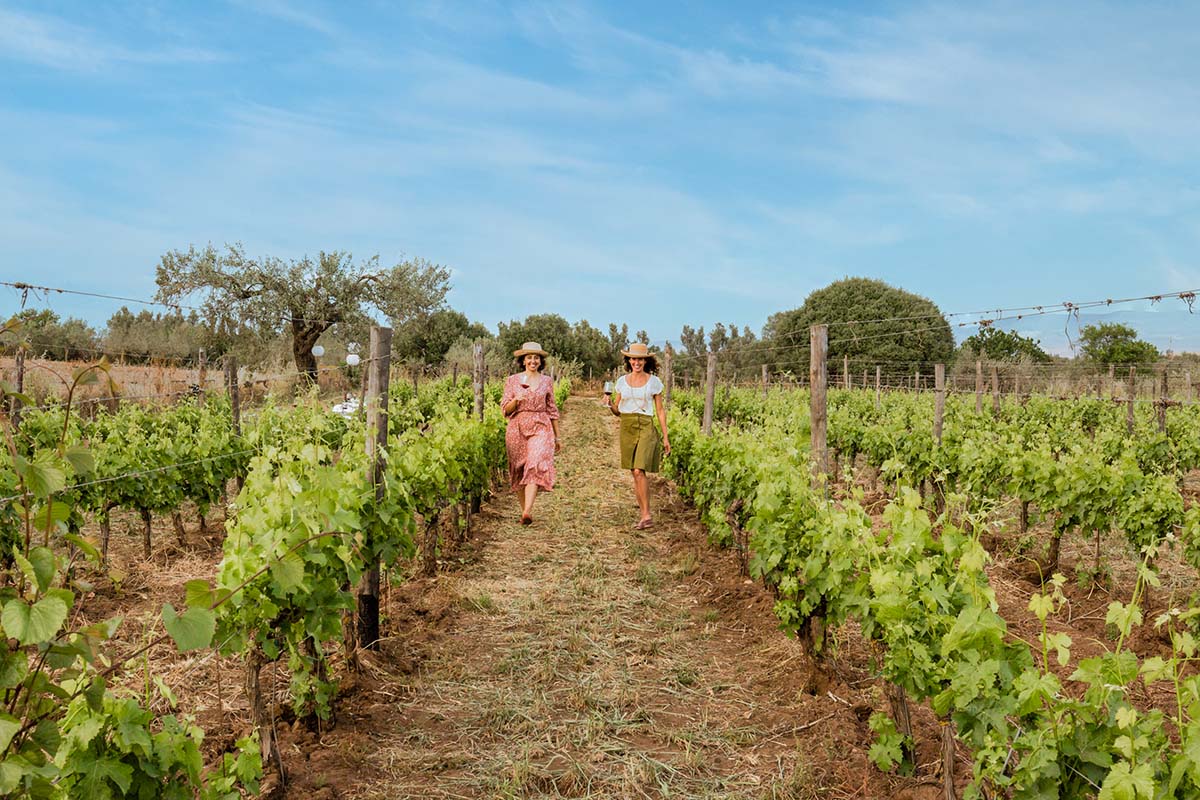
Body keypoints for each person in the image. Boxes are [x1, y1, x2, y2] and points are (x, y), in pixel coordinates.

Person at [608, 342, 670, 529]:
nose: (637, 362)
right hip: (627, 426)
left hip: (645, 426)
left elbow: (660, 411)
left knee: (639, 470)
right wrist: (609, 405)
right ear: (629, 360)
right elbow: (617, 410)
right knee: (634, 473)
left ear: (646, 361)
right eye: (633, 358)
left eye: (640, 359)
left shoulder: (654, 382)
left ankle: (646, 515)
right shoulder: (621, 381)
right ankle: (643, 514)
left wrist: (665, 437)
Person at [501, 342, 561, 525]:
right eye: (529, 357)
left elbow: (552, 410)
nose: (533, 361)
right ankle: (524, 511)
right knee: (519, 469)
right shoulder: (512, 380)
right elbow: (505, 409)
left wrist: (557, 437)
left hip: (540, 426)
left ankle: (527, 511)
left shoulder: (546, 382)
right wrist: (516, 401)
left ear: (540, 361)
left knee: (535, 464)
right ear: (523, 360)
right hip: (517, 427)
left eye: (536, 358)